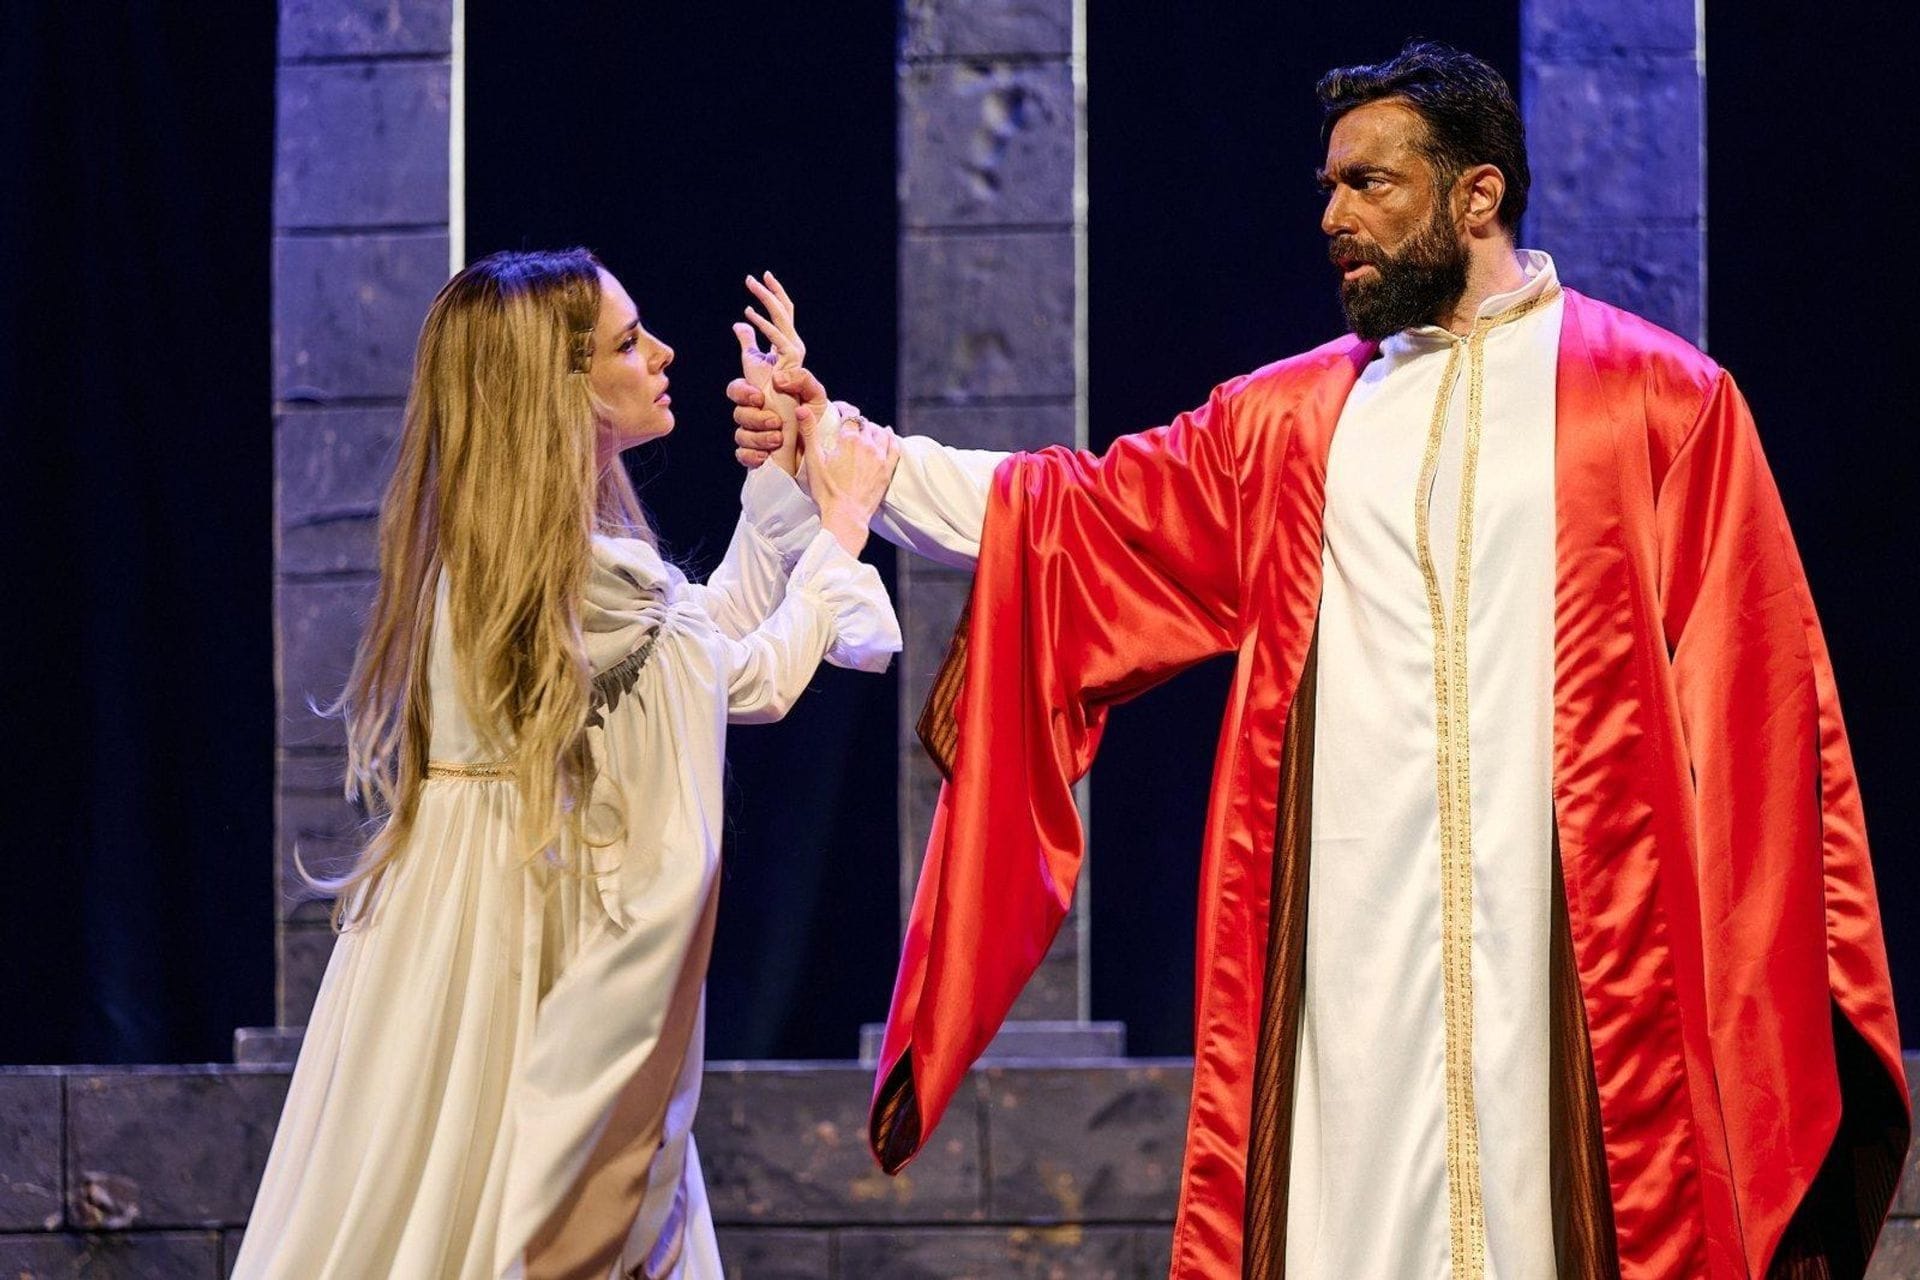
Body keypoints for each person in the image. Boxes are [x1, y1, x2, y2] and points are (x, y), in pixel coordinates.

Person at [729, 41, 1909, 1280]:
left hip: (1574, 956)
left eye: (1370, 184)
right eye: (1328, 187)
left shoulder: (1656, 399)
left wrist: (1750, 960)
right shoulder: (1295, 420)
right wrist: (845, 449)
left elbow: (1759, 697)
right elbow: (1077, 510)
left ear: (1477, 194)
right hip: (1349, 944)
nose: (1335, 217)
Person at [234, 250, 901, 1279]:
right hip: (522, 937)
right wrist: (843, 523)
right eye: (628, 343)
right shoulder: (586, 575)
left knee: (439, 1190)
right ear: (558, 389)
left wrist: (777, 483)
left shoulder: (518, 553)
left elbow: (695, 651)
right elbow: (748, 678)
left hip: (455, 923)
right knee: (527, 1195)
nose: (664, 353)